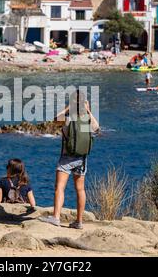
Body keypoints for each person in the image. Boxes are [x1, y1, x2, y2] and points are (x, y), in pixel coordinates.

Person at [39, 90, 100, 229]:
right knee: (80, 189)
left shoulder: (68, 119)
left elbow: (55, 119)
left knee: (60, 187)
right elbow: (97, 129)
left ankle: (56, 217)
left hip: (67, 157)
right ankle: (79, 222)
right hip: (82, 158)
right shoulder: (86, 119)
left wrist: (68, 107)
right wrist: (89, 111)